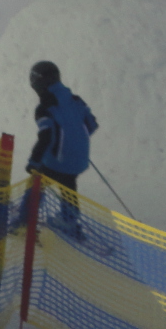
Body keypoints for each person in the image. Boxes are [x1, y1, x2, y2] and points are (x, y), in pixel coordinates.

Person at [22, 61, 97, 234]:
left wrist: (33, 161)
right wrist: (75, 139)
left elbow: (46, 137)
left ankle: (25, 217)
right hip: (79, 158)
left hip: (58, 161)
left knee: (37, 180)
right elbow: (91, 124)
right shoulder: (76, 100)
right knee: (68, 184)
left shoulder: (45, 107)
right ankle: (69, 220)